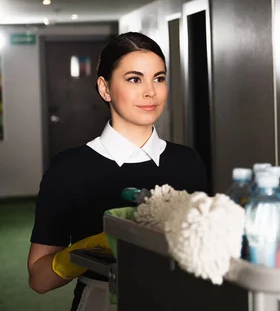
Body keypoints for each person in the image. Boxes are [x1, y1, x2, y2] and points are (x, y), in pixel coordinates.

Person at [27, 32, 208, 310]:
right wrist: (91, 247)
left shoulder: (188, 162)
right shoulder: (69, 168)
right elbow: (39, 279)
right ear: (105, 88)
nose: (151, 91)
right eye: (134, 79)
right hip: (102, 301)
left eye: (158, 78)